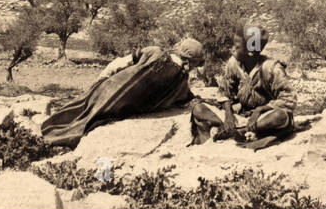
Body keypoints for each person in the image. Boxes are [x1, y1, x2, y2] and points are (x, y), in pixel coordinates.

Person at [40, 38, 205, 147]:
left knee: (77, 109)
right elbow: (181, 100)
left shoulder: (156, 52)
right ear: (190, 62)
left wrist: (100, 81)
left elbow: (119, 63)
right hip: (119, 109)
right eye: (195, 64)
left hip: (109, 89)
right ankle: (56, 138)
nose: (193, 68)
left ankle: (44, 135)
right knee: (87, 122)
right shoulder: (180, 83)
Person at [190, 25, 295, 148]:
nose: (232, 49)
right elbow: (224, 92)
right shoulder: (234, 63)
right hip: (240, 115)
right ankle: (241, 129)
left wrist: (259, 110)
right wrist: (228, 114)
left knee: (280, 116)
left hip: (264, 116)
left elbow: (289, 99)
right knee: (198, 108)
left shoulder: (271, 68)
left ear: (250, 51)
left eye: (237, 46)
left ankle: (237, 131)